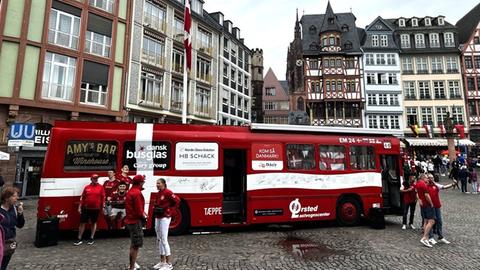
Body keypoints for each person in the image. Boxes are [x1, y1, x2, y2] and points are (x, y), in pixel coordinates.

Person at [153, 178, 180, 270]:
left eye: (159, 183)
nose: (157, 185)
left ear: (164, 184)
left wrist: (171, 211)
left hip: (165, 217)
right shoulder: (158, 193)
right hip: (158, 216)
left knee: (164, 239)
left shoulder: (168, 192)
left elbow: (177, 201)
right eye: (156, 183)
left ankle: (169, 263)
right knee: (159, 239)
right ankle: (162, 261)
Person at [74, 174, 105, 245]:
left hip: (96, 208)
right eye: (94, 178)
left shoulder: (101, 187)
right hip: (86, 208)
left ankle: (91, 238)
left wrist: (103, 206)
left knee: (93, 223)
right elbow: (82, 198)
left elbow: (103, 198)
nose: (96, 179)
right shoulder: (87, 187)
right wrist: (79, 207)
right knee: (82, 223)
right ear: (91, 179)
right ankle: (79, 238)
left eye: (97, 178)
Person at [426, 173, 455, 245]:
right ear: (427, 179)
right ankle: (431, 237)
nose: (431, 179)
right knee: (431, 222)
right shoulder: (425, 186)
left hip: (437, 206)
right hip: (430, 206)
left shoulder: (435, 185)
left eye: (432, 177)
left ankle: (440, 236)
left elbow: (444, 187)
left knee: (439, 221)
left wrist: (452, 184)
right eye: (430, 178)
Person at [0, 187, 25, 270]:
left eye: (17, 196)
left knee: (4, 265)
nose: (17, 198)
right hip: (1, 243)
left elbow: (20, 225)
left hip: (9, 244)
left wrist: (20, 214)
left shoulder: (14, 209)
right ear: (7, 198)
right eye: (14, 196)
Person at [125, 175, 147, 270]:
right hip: (135, 221)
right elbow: (138, 210)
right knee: (135, 245)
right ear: (140, 182)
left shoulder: (130, 191)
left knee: (133, 243)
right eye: (143, 181)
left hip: (130, 220)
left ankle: (132, 265)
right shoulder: (137, 193)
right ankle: (132, 266)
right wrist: (144, 216)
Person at [414, 174, 436, 248]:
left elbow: (417, 193)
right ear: (423, 178)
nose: (427, 179)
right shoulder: (423, 185)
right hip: (427, 205)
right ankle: (424, 237)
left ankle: (426, 238)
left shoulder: (417, 184)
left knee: (425, 221)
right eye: (426, 178)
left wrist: (419, 200)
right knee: (432, 221)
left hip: (422, 205)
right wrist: (431, 203)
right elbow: (426, 195)